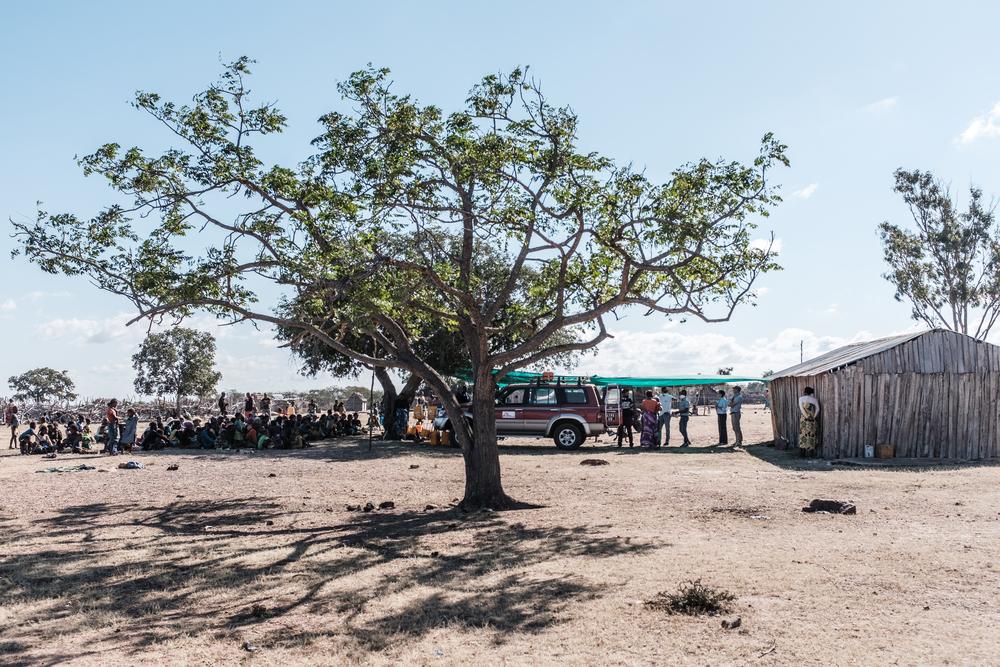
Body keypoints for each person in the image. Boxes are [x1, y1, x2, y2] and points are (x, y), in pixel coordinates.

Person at [799, 386, 820, 457]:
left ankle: (802, 453)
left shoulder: (801, 399)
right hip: (812, 419)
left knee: (803, 434)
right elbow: (818, 409)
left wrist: (806, 417)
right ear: (811, 392)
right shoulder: (814, 400)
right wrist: (813, 417)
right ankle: (811, 453)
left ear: (805, 392)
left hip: (804, 419)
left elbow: (802, 409)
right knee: (812, 435)